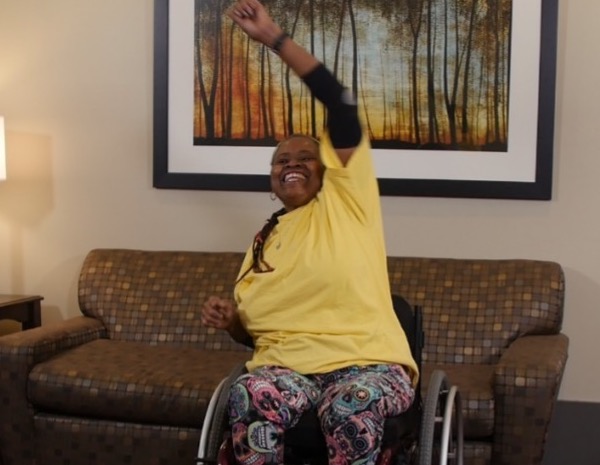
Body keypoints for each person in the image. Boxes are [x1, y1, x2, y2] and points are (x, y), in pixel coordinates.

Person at [201, 1, 419, 464]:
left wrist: (273, 39)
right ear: (272, 177)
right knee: (249, 391)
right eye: (281, 160)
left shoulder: (346, 202)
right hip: (285, 370)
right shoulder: (265, 240)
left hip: (366, 367)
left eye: (305, 157)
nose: (292, 164)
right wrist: (231, 320)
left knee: (347, 405)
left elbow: (337, 99)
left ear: (327, 171)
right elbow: (255, 334)